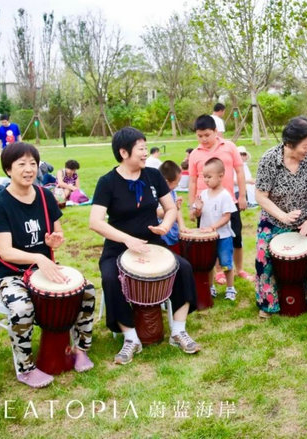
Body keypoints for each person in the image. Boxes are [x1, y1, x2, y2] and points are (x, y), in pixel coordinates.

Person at [89, 127, 200, 365]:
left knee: (184, 268)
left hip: (152, 244)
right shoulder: (107, 182)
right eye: (140, 148)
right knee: (110, 277)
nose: (144, 152)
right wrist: (126, 239)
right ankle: (130, 337)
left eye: (144, 147)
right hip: (119, 248)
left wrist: (164, 226)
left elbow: (170, 208)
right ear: (123, 152)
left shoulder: (152, 175)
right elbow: (95, 222)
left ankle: (178, 330)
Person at [0, 142, 95, 388]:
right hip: (11, 274)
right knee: (21, 308)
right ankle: (25, 368)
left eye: (33, 164)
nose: (29, 169)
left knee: (87, 290)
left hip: (45, 268)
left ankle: (79, 349)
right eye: (21, 164)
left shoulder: (45, 196)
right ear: (8, 169)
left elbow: (57, 235)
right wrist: (38, 257)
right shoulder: (0, 205)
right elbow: (5, 251)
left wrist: (53, 241)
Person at [255, 116, 307, 319]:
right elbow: (260, 196)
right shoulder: (270, 159)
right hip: (274, 219)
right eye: (305, 146)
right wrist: (283, 216)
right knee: (263, 254)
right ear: (290, 143)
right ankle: (268, 302)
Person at [188, 115, 248, 285]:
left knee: (235, 236)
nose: (203, 139)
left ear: (215, 131)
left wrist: (242, 196)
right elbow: (192, 181)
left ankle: (239, 269)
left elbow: (240, 171)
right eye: (199, 136)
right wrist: (192, 206)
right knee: (210, 238)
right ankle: (218, 272)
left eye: (207, 134)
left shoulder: (229, 147)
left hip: (228, 202)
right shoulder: (195, 154)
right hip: (205, 205)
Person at [193, 157, 238, 300]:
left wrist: (212, 227)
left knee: (226, 263)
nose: (206, 180)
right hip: (206, 237)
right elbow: (196, 215)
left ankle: (230, 288)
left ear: (221, 176)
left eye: (209, 177)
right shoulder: (203, 194)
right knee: (208, 263)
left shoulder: (225, 196)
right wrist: (198, 210)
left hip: (223, 236)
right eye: (204, 177)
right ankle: (210, 287)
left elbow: (226, 217)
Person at [158, 160, 188, 251]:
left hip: (174, 233)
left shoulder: (172, 192)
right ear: (167, 182)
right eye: (176, 183)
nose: (177, 185)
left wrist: (182, 226)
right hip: (163, 236)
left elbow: (177, 211)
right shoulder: (157, 193)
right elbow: (159, 213)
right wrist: (173, 207)